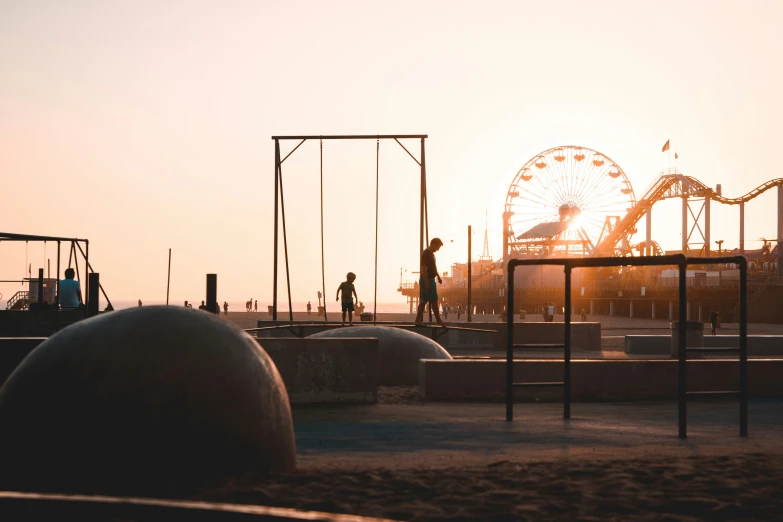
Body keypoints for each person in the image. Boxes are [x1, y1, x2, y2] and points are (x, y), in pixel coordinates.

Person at [414, 239, 445, 326]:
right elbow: (424, 270)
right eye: (438, 247)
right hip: (428, 280)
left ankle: (417, 320)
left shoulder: (431, 254)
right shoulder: (426, 254)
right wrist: (427, 283)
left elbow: (434, 267)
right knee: (434, 300)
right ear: (434, 244)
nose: (438, 249)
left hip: (429, 279)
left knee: (423, 300)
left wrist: (438, 277)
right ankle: (438, 320)